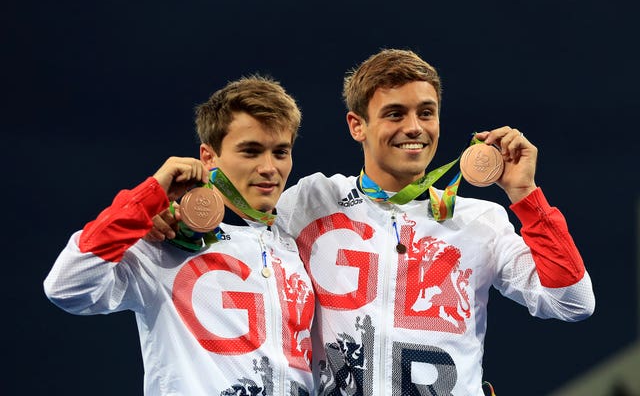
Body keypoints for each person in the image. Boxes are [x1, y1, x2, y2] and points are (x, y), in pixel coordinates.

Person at [273, 49, 595, 395]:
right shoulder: (311, 202)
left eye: (426, 113)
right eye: (395, 114)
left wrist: (526, 196)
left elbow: (572, 302)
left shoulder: (479, 221)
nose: (414, 127)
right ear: (357, 126)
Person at [43, 75, 315, 395]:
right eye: (251, 151)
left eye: (280, 152)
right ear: (209, 156)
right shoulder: (164, 241)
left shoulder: (294, 246)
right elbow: (66, 286)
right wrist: (147, 201)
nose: (269, 167)